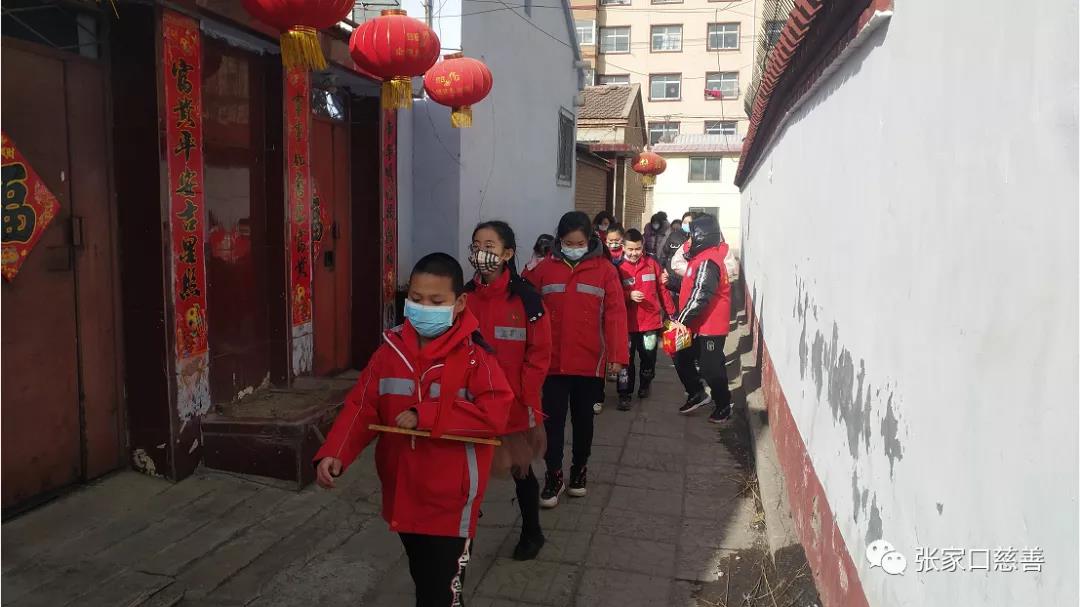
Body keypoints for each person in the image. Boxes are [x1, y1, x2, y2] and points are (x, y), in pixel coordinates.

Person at [314, 253, 515, 607]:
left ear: (459, 303)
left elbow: (494, 414)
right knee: (424, 580)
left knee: (443, 593)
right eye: (417, 299)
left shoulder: (475, 358)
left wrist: (426, 414)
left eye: (436, 301)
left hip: (451, 501)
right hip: (403, 491)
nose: (424, 309)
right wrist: (335, 452)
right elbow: (362, 406)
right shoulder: (389, 352)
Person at [523, 211, 628, 508]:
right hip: (552, 363)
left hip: (589, 362)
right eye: (568, 243)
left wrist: (617, 356)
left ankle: (579, 469)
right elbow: (523, 299)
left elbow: (616, 315)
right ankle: (554, 475)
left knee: (584, 421)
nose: (573, 248)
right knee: (552, 422)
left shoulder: (605, 271)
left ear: (590, 240)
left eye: (579, 243)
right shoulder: (544, 269)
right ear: (559, 241)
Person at [464, 221, 552, 561]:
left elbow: (539, 355)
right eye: (476, 245)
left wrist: (527, 398)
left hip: (514, 403)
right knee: (465, 473)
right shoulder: (463, 297)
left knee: (521, 471)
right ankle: (461, 537)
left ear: (507, 253)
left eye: (489, 246)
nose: (481, 252)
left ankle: (532, 531)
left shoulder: (527, 299)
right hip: (469, 403)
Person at [667, 214, 733, 424]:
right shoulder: (699, 259)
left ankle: (723, 404)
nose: (689, 241)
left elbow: (701, 295)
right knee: (681, 357)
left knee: (711, 368)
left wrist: (681, 320)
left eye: (691, 236)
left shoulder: (708, 261)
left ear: (702, 236)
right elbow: (690, 286)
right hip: (695, 324)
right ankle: (697, 393)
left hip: (710, 327)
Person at [615, 229, 675, 411]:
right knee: (625, 360)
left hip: (650, 324)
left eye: (638, 249)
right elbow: (612, 294)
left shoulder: (651, 264)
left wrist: (672, 314)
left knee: (649, 358)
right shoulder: (617, 268)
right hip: (626, 325)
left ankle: (645, 384)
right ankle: (624, 394)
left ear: (643, 247)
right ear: (623, 248)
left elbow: (662, 290)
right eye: (630, 249)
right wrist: (628, 295)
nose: (634, 253)